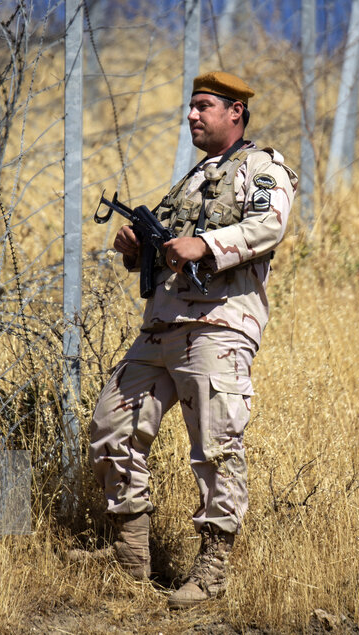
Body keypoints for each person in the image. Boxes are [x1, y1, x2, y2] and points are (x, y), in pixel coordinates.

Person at [85, 70, 297, 609]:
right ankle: (132, 559)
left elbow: (268, 227)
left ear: (236, 113)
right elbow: (166, 250)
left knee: (217, 447)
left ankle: (212, 570)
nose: (192, 115)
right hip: (161, 326)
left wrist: (204, 245)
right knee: (112, 427)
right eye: (190, 106)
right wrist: (135, 246)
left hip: (219, 327)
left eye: (204, 106)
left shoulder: (262, 167)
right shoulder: (191, 178)